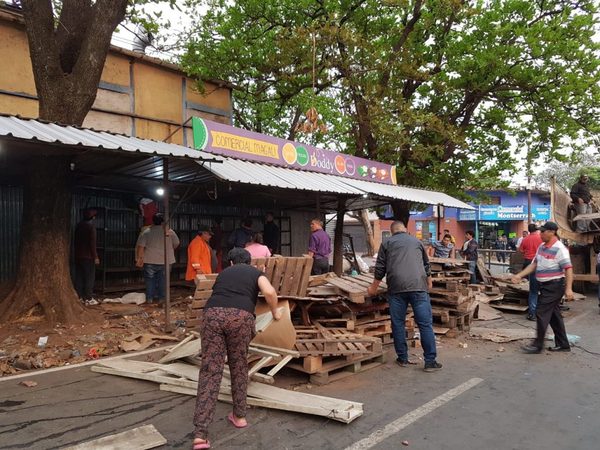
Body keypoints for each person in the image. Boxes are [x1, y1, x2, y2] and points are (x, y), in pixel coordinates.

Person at [192, 248, 282, 449]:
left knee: (210, 371)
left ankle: (200, 434)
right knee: (239, 366)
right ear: (249, 262)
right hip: (240, 318)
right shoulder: (256, 273)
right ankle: (239, 416)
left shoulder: (223, 274)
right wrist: (275, 312)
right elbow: (269, 292)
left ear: (231, 263)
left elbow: (221, 297)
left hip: (212, 315)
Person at [367, 221, 442, 372]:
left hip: (396, 288)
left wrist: (373, 288)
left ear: (392, 231)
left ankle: (403, 358)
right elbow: (426, 264)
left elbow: (380, 267)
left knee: (398, 323)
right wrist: (429, 282)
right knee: (425, 324)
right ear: (405, 230)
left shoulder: (387, 243)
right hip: (418, 287)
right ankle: (430, 362)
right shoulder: (416, 241)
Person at [510, 221, 574, 354]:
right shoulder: (542, 247)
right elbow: (534, 265)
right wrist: (519, 275)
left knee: (541, 312)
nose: (541, 234)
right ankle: (563, 344)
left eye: (543, 232)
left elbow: (568, 269)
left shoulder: (559, 248)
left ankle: (537, 345)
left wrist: (569, 289)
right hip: (545, 286)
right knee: (554, 315)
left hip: (555, 286)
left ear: (552, 232)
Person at [135, 213, 180, 304]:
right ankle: (162, 298)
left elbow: (141, 247)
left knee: (150, 280)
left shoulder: (146, 232)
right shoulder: (170, 232)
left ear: (153, 221)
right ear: (163, 221)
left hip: (150, 260)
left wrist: (140, 259)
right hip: (166, 261)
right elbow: (177, 243)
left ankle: (150, 298)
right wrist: (169, 249)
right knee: (163, 280)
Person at [74, 208, 100, 305]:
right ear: (93, 217)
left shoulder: (78, 226)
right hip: (88, 256)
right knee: (89, 277)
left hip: (78, 256)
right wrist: (96, 257)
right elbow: (92, 243)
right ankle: (88, 298)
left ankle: (79, 296)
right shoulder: (91, 227)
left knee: (79, 277)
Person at [519, 223, 543, 321]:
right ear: (536, 230)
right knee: (542, 289)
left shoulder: (525, 239)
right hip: (540, 263)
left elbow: (520, 250)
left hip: (528, 262)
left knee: (532, 290)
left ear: (529, 230)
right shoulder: (541, 238)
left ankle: (532, 313)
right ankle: (542, 312)